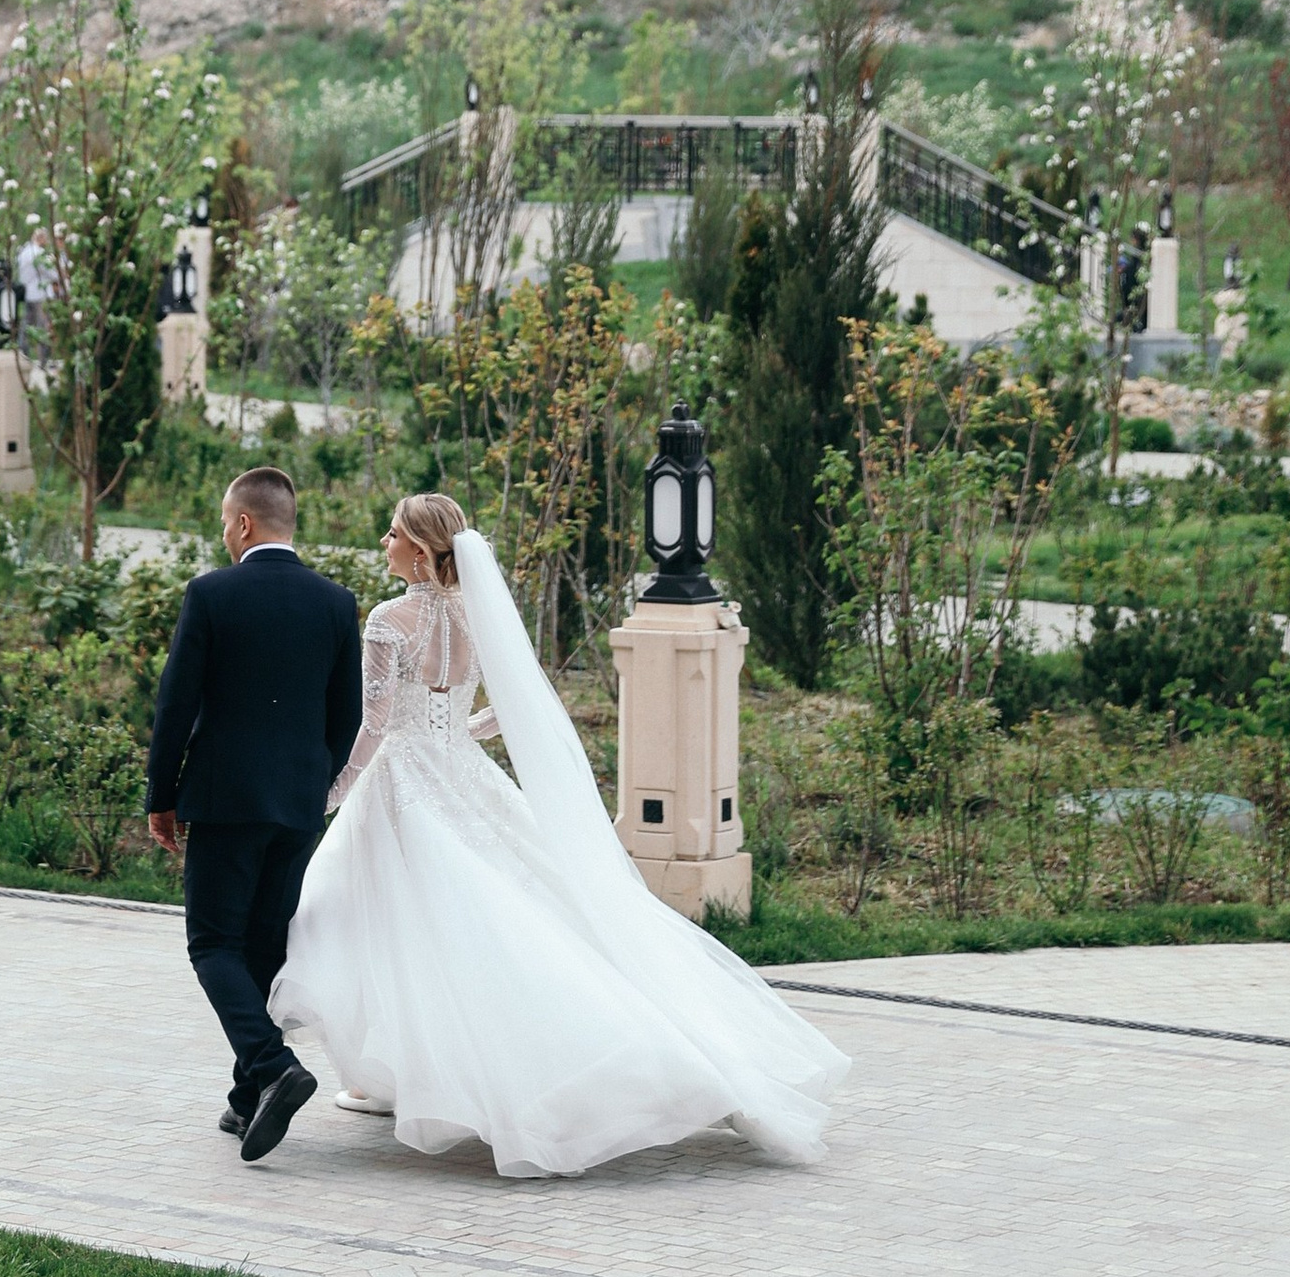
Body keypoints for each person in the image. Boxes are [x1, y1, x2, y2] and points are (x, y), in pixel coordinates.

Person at [272, 491, 847, 1178]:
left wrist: (334, 793)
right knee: (466, 922)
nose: (384, 541)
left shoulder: (390, 621)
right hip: (462, 772)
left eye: (393, 533)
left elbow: (375, 722)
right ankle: (384, 1076)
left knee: (381, 921)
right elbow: (493, 711)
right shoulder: (472, 614)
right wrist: (461, 729)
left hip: (405, 784)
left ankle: (398, 1076)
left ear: (421, 551)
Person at [145, 466, 362, 1163]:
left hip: (225, 797)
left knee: (212, 943)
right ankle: (248, 1101)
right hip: (297, 805)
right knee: (265, 950)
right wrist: (310, 784)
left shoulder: (211, 592)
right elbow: (347, 714)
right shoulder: (336, 602)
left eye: (222, 520)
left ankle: (272, 1067)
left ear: (242, 524)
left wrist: (161, 794)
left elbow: (176, 703)